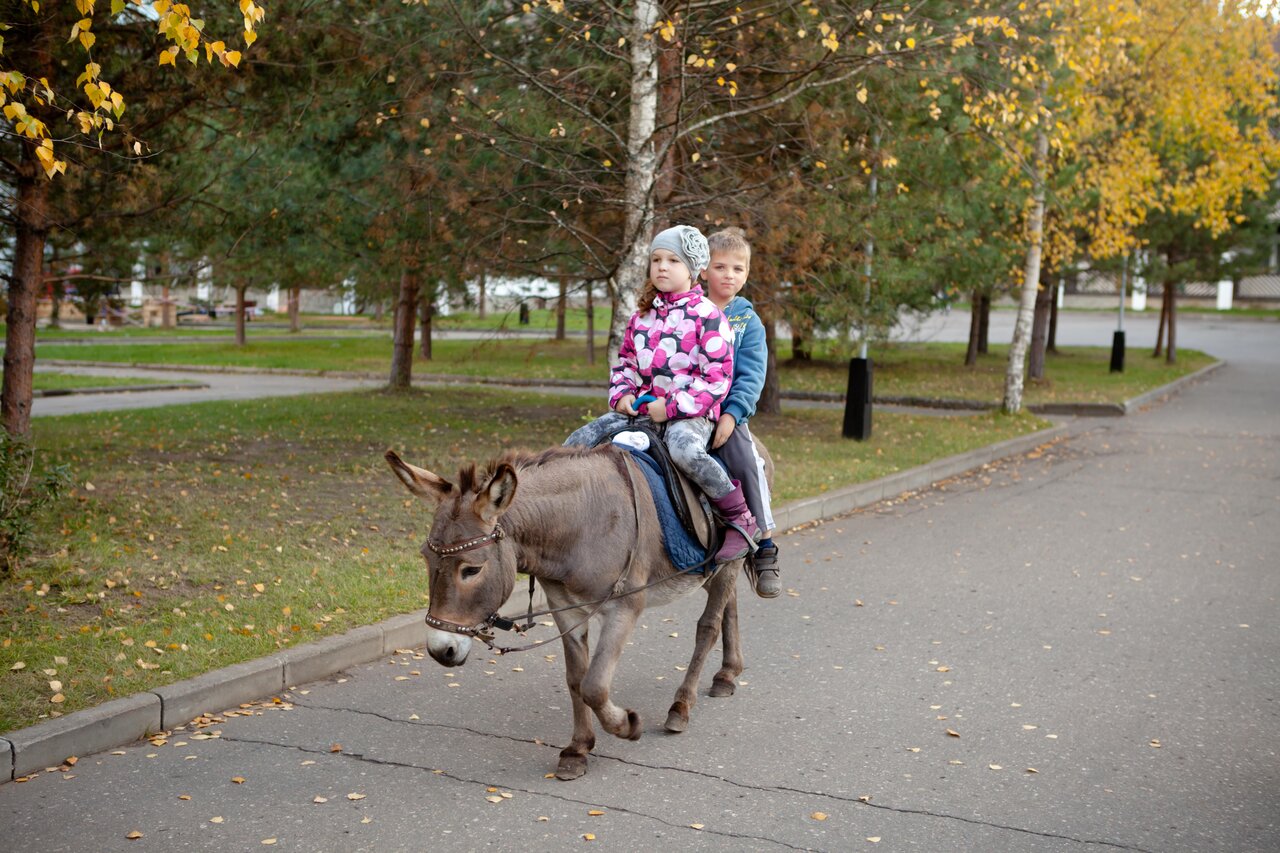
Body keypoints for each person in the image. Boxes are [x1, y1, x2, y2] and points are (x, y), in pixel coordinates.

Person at [565, 224, 760, 564]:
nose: (662, 267)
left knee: (684, 450)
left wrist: (669, 409)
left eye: (673, 260)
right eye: (657, 259)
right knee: (579, 440)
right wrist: (622, 394)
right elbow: (626, 361)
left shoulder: (709, 317)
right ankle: (568, 516)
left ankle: (738, 514)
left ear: (693, 269)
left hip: (692, 414)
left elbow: (716, 379)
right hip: (639, 409)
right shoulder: (641, 317)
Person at [704, 228, 781, 599]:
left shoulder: (746, 323)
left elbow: (751, 376)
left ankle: (764, 545)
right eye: (720, 266)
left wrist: (732, 415)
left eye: (737, 268)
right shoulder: (688, 311)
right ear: (703, 270)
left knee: (749, 463)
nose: (728, 275)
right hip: (682, 410)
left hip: (726, 417)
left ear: (746, 274)